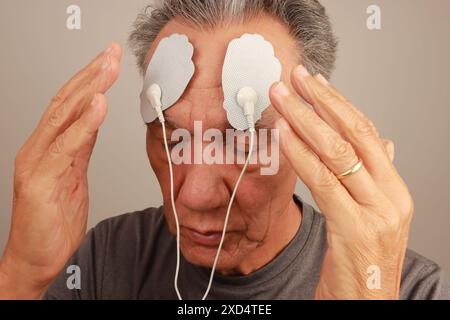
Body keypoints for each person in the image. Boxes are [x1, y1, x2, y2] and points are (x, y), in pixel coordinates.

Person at [0, 0, 449, 300]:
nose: (193, 195)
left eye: (242, 140)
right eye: (171, 134)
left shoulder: (406, 287)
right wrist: (22, 275)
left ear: (315, 132)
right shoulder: (103, 260)